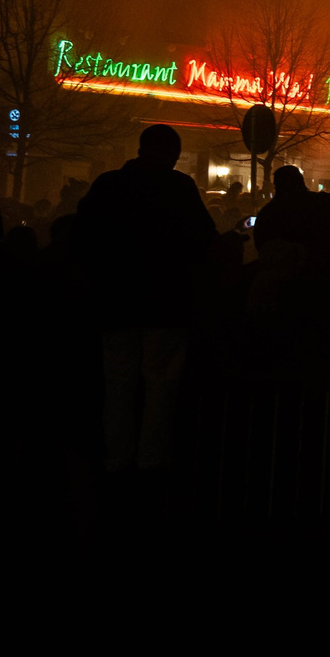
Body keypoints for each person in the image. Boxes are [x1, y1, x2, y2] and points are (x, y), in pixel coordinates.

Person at [77, 124, 217, 473]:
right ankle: (151, 460)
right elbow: (203, 239)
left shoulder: (109, 185)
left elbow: (83, 238)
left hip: (116, 302)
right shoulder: (179, 188)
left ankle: (116, 456)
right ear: (170, 153)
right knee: (161, 384)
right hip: (166, 303)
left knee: (118, 382)